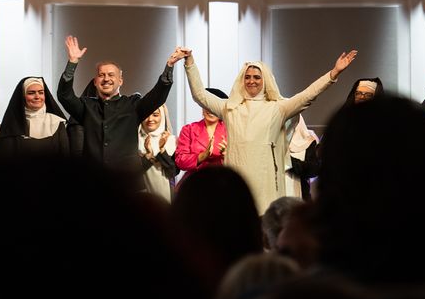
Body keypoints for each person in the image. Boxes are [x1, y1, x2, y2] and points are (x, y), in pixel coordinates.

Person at [183, 48, 358, 214]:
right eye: (247, 77)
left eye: (257, 77)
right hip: (237, 179)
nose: (251, 81)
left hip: (266, 180)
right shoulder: (229, 108)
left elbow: (308, 95)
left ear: (265, 80)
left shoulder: (278, 108)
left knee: (266, 223)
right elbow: (199, 95)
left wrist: (333, 73)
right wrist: (189, 62)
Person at [57, 35, 187, 175]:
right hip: (94, 181)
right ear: (95, 82)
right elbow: (65, 96)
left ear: (120, 81)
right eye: (101, 75)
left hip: (126, 181)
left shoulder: (133, 105)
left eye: (111, 75)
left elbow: (158, 96)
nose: (106, 79)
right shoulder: (86, 106)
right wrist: (72, 62)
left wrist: (169, 66)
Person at [0, 76, 69, 157]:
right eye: (31, 93)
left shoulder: (57, 123)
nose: (37, 97)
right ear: (23, 96)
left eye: (41, 92)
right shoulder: (12, 126)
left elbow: (65, 156)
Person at [174, 88, 228, 179]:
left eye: (214, 107)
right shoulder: (188, 129)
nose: (211, 110)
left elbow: (241, 161)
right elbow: (180, 161)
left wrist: (227, 156)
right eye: (207, 105)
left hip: (222, 180)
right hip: (194, 181)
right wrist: (201, 156)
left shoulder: (230, 130)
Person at [138, 105, 178, 202]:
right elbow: (131, 174)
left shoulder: (171, 141)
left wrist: (162, 150)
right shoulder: (134, 141)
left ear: (162, 116)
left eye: (155, 115)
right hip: (141, 198)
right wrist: (148, 156)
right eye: (146, 115)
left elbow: (173, 171)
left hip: (166, 196)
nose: (150, 119)